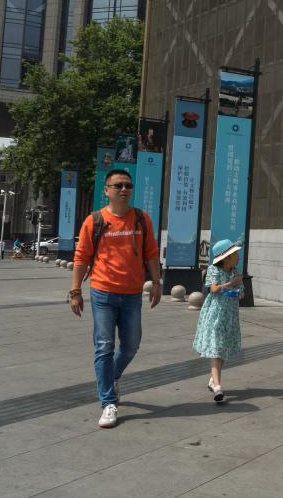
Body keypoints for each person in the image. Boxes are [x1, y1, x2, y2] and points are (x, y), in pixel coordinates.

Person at [70, 168, 161, 429]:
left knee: (131, 345)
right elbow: (81, 257)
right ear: (106, 190)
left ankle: (112, 376)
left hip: (132, 294)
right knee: (104, 346)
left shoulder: (142, 219)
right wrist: (75, 291)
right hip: (103, 292)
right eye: (118, 185)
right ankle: (108, 402)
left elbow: (151, 253)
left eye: (128, 186)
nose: (124, 190)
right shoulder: (95, 220)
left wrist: (157, 283)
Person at [192, 239, 244, 403]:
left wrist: (238, 292)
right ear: (227, 257)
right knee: (216, 348)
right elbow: (213, 289)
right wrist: (231, 284)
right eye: (235, 254)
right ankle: (217, 387)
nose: (238, 257)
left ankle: (213, 380)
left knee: (223, 348)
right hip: (215, 314)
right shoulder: (213, 269)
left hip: (230, 315)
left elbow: (242, 293)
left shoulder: (236, 272)